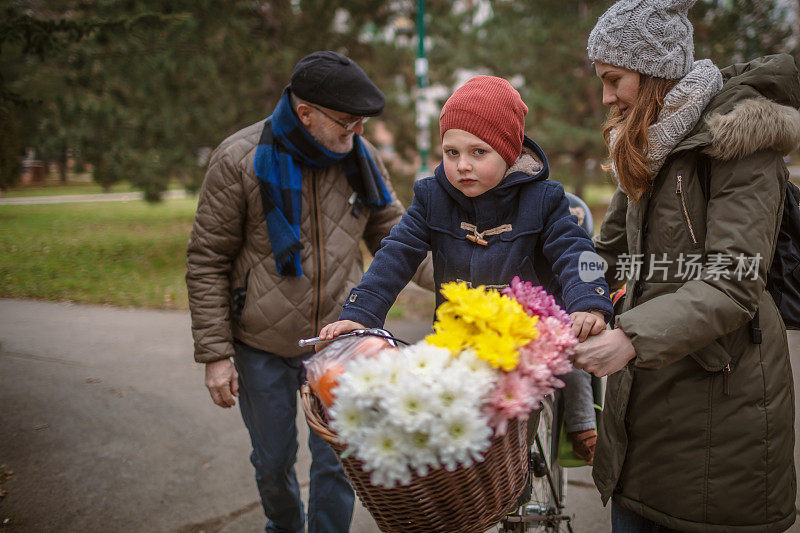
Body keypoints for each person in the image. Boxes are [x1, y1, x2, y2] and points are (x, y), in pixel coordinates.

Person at [573, 0, 799, 531]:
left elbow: (735, 281)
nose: (606, 97)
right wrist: (570, 298)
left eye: (614, 79)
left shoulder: (741, 143)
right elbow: (606, 254)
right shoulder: (651, 145)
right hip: (644, 407)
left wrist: (629, 335)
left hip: (721, 408)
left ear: (654, 72)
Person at [186, 50, 433, 533]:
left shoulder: (361, 160)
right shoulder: (240, 159)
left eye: (361, 123)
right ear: (306, 114)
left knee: (338, 464)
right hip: (263, 344)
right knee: (274, 462)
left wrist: (464, 282)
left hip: (340, 343)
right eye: (347, 123)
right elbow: (207, 259)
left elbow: (398, 240)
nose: (356, 133)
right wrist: (215, 354)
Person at [318, 75, 614, 461]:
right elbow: (396, 253)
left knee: (543, 393)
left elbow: (575, 252)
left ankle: (565, 436)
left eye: (478, 152)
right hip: (459, 333)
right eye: (451, 152)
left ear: (508, 152)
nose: (462, 166)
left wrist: (588, 302)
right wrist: (360, 314)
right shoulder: (432, 197)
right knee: (449, 422)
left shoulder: (544, 199)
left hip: (525, 336)